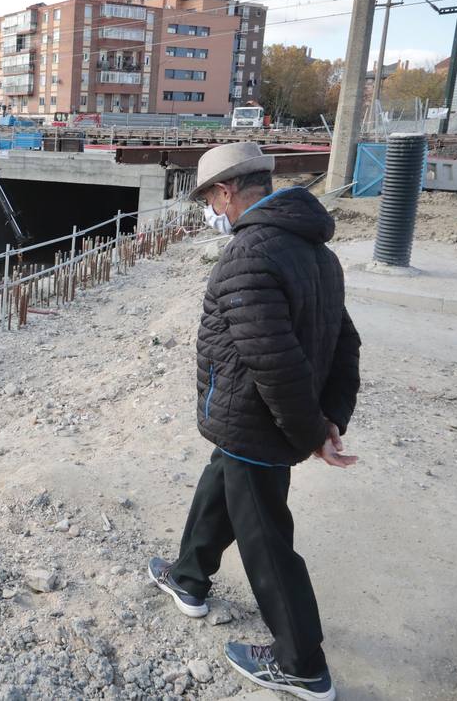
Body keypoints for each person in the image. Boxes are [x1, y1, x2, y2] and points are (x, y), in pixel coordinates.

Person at [147, 142, 360, 701]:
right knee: (223, 479)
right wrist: (331, 415)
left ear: (225, 192)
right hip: (255, 422)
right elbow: (345, 342)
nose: (213, 212)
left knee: (265, 537)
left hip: (256, 420)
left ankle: (301, 663)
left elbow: (274, 359)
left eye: (212, 200)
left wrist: (316, 431)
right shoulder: (317, 254)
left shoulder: (249, 254)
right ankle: (189, 576)